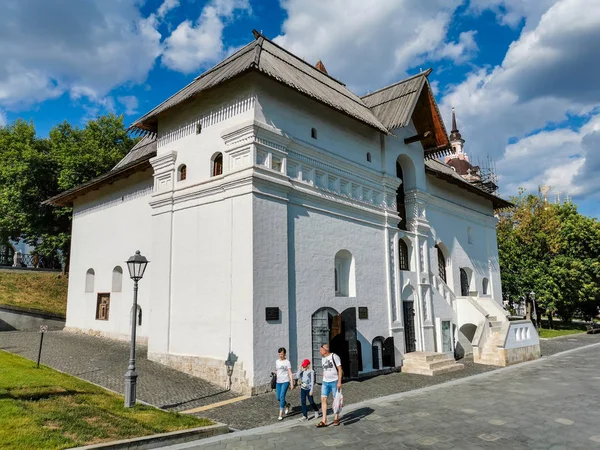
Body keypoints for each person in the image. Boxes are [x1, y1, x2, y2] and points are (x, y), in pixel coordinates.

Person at [316, 343, 342, 427]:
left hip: (334, 381)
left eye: (321, 350)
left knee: (336, 400)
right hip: (325, 382)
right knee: (323, 399)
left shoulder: (334, 356)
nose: (320, 351)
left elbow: (339, 369)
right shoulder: (323, 359)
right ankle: (324, 420)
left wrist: (339, 382)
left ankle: (336, 418)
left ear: (325, 350)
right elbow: (324, 369)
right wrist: (324, 377)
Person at [275, 347, 294, 421]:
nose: (280, 355)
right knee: (278, 398)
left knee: (282, 396)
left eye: (282, 354)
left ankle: (280, 414)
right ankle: (287, 405)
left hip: (285, 381)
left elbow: (290, 373)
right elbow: (277, 370)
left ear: (285, 354)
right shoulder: (277, 361)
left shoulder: (287, 362)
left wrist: (292, 383)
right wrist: (275, 373)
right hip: (278, 382)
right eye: (279, 354)